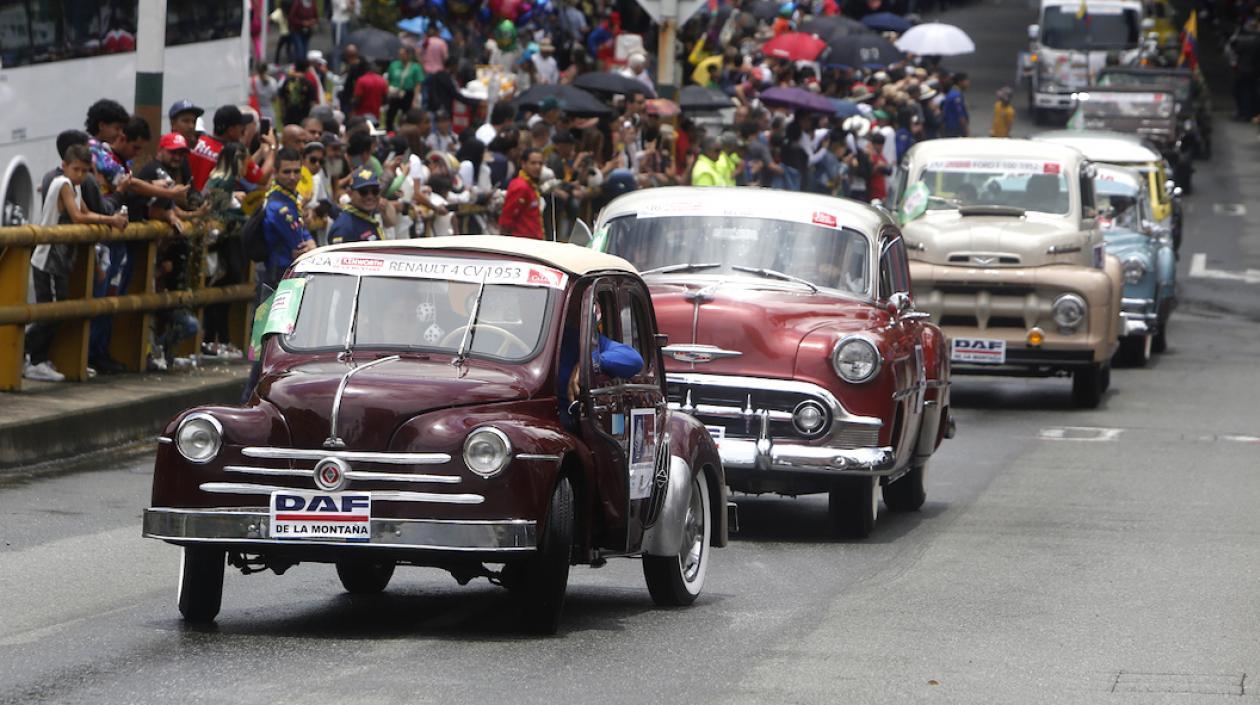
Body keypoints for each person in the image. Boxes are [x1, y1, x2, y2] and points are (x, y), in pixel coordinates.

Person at [25, 144, 128, 382]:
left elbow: (87, 212)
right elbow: (79, 216)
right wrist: (112, 219)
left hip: (61, 259)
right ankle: (30, 357)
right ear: (64, 167)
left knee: (59, 309)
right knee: (52, 311)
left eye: (85, 170)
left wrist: (109, 220)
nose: (80, 174)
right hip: (48, 257)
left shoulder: (75, 187)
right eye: (76, 169)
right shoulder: (63, 185)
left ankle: (35, 357)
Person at [262, 148, 316, 288]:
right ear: (275, 172)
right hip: (278, 275)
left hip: (292, 272)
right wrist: (309, 243)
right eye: (286, 172)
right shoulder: (276, 205)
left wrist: (309, 242)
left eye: (296, 171)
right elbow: (300, 244)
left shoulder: (290, 198)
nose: (292, 177)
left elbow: (303, 233)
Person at [189, 105, 268, 192]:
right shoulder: (234, 153)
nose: (243, 129)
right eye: (240, 126)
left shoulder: (199, 141)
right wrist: (272, 149)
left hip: (190, 199)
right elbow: (262, 179)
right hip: (211, 202)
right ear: (231, 130)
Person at [328, 168, 386, 244]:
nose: (370, 196)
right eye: (363, 192)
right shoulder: (344, 228)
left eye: (375, 191)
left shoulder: (368, 218)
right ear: (350, 193)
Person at [499, 148, 544, 239]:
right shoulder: (520, 186)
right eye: (533, 163)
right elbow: (506, 220)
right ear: (523, 164)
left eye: (540, 163)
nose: (537, 167)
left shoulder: (531, 184)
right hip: (523, 244)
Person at [387, 46, 425, 131]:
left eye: (403, 54)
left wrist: (415, 99)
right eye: (400, 54)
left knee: (408, 115)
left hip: (408, 93)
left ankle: (406, 131)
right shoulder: (394, 65)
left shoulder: (415, 67)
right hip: (395, 93)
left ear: (408, 55)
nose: (401, 56)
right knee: (390, 115)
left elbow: (418, 83)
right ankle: (389, 131)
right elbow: (389, 79)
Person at [941, 72, 970, 138]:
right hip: (954, 128)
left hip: (951, 127)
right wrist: (965, 129)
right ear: (960, 82)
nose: (968, 83)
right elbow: (960, 114)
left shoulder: (953, 92)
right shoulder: (956, 96)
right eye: (966, 81)